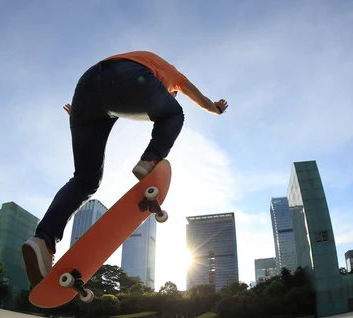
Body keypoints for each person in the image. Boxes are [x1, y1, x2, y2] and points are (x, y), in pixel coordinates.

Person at [21, 51, 228, 287]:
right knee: (173, 113)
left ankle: (43, 241)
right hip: (128, 76)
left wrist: (80, 110)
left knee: (84, 180)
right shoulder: (172, 76)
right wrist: (215, 109)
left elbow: (105, 90)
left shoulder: (139, 63)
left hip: (85, 92)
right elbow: (195, 95)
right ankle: (150, 160)